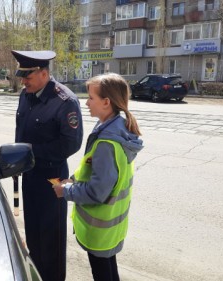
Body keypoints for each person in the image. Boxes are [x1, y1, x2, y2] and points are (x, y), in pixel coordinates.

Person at [52, 73, 143, 281]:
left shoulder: (106, 143)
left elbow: (97, 191)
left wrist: (65, 191)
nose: (86, 103)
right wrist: (74, 180)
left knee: (102, 273)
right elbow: (94, 171)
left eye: (91, 98)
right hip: (113, 225)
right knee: (109, 270)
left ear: (106, 102)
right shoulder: (116, 129)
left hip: (100, 228)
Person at [11, 50, 84, 281]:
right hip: (29, 177)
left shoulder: (64, 101)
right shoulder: (26, 95)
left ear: (43, 73)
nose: (23, 82)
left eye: (28, 77)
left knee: (51, 242)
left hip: (53, 181)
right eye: (22, 77)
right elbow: (20, 130)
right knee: (33, 237)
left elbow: (70, 144)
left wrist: (31, 152)